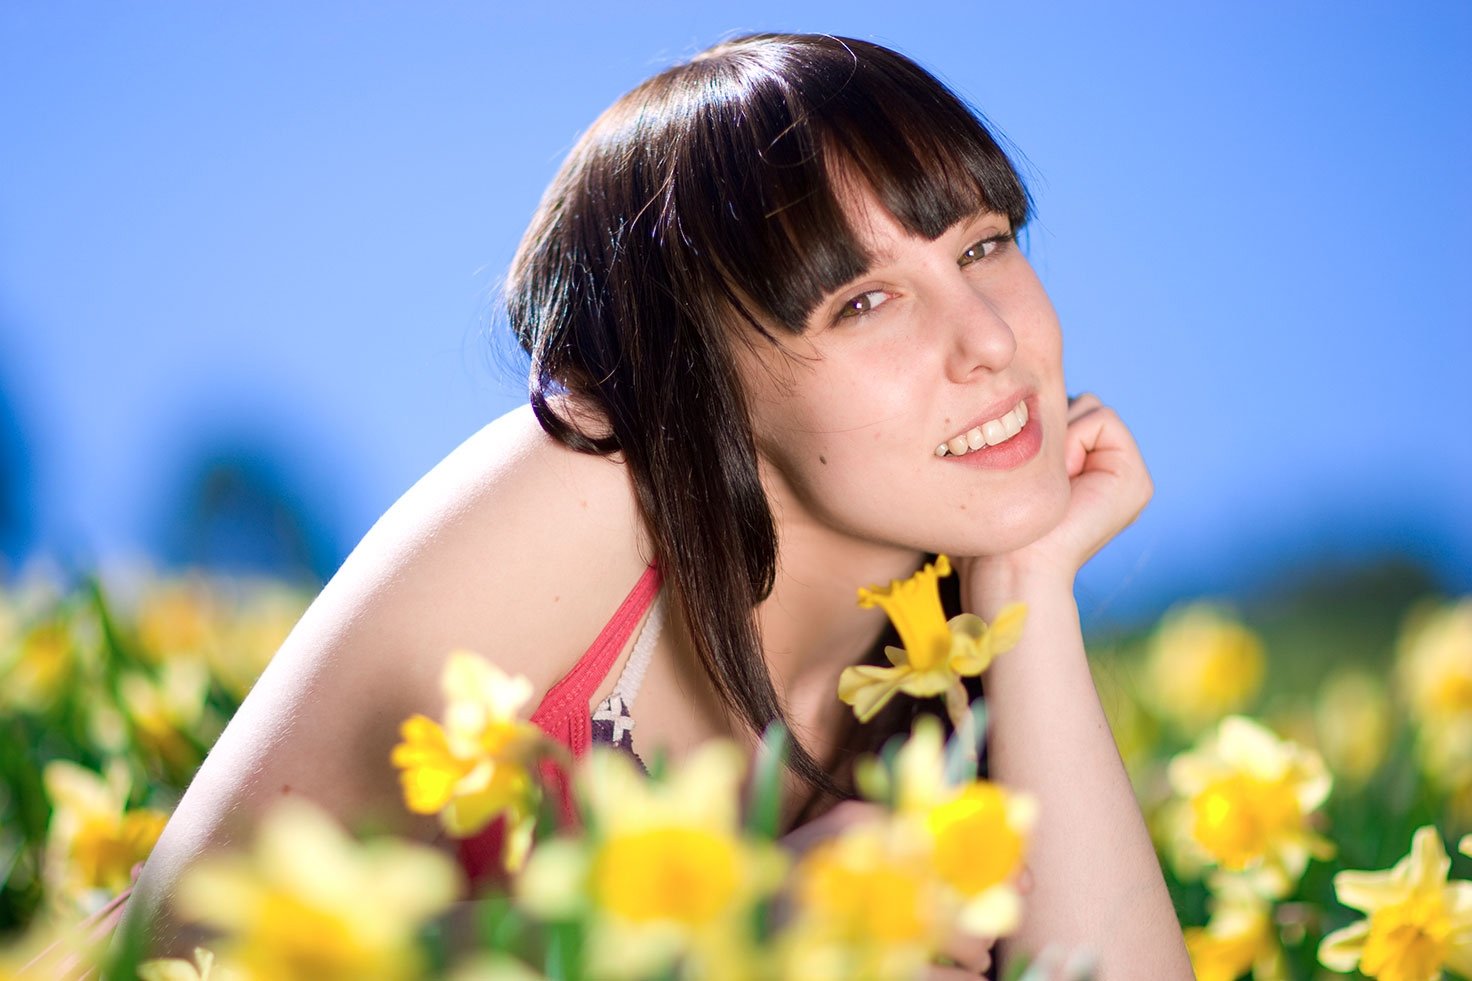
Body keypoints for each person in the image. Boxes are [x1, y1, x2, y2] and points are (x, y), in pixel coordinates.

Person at [121, 32, 1192, 978]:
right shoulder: (584, 483)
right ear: (699, 369)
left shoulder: (948, 646)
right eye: (863, 302)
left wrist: (1028, 583)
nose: (990, 340)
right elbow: (178, 939)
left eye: (983, 245)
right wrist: (724, 925)